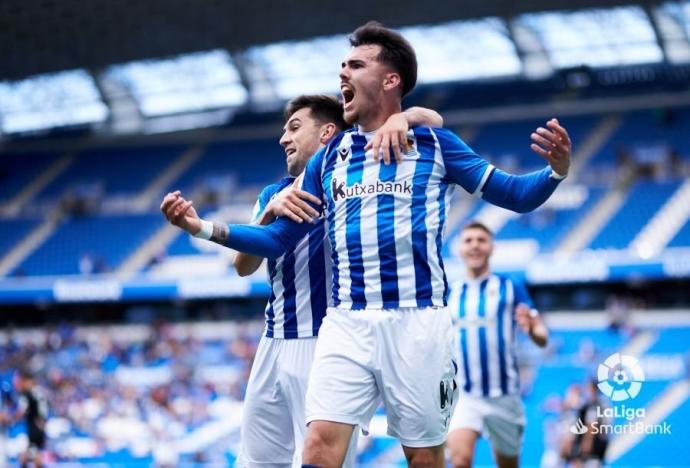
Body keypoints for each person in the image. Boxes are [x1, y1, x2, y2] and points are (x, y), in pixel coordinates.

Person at [162, 21, 572, 467]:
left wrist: (555, 172)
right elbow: (280, 239)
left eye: (355, 65)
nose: (343, 73)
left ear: (390, 79)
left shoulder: (434, 144)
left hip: (416, 323)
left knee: (424, 457)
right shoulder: (329, 158)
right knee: (316, 447)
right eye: (341, 65)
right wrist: (203, 227)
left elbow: (513, 194)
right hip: (345, 323)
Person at [191, 95, 442, 467]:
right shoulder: (271, 193)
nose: (283, 139)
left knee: (321, 459)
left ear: (327, 133)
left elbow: (433, 120)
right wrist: (266, 216)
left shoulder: (350, 180)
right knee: (256, 461)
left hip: (323, 342)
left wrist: (403, 117)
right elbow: (242, 267)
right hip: (272, 341)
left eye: (294, 128)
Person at [446, 221, 549, 468]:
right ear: (460, 248)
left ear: (492, 247)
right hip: (463, 395)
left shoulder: (510, 286)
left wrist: (532, 329)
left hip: (504, 396)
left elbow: (542, 335)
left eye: (481, 240)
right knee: (460, 461)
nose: (475, 246)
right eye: (468, 240)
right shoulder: (449, 291)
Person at [13, 369, 48, 468]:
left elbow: (21, 412)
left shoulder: (28, 394)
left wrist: (10, 418)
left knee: (27, 458)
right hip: (38, 430)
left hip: (33, 430)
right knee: (32, 457)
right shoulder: (39, 392)